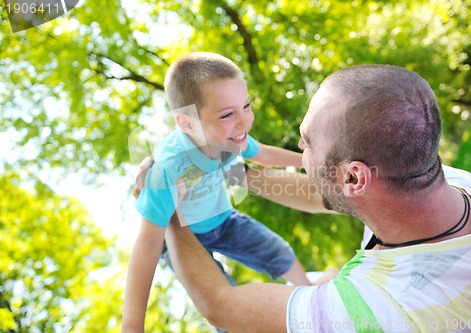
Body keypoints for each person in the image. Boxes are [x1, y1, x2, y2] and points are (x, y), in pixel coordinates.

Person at [159, 64, 471, 333]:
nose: (299, 149)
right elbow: (323, 191)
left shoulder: (379, 308)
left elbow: (222, 305)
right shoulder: (450, 184)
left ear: (353, 176)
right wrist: (234, 171)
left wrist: (170, 213)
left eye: (307, 142)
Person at [121, 52, 334, 333]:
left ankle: (309, 294)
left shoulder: (232, 138)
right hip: (185, 234)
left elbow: (265, 155)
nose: (244, 121)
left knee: (279, 251)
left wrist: (308, 160)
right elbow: (147, 244)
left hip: (223, 221)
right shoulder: (168, 169)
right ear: (187, 123)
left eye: (246, 106)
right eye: (227, 114)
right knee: (226, 313)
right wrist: (132, 325)